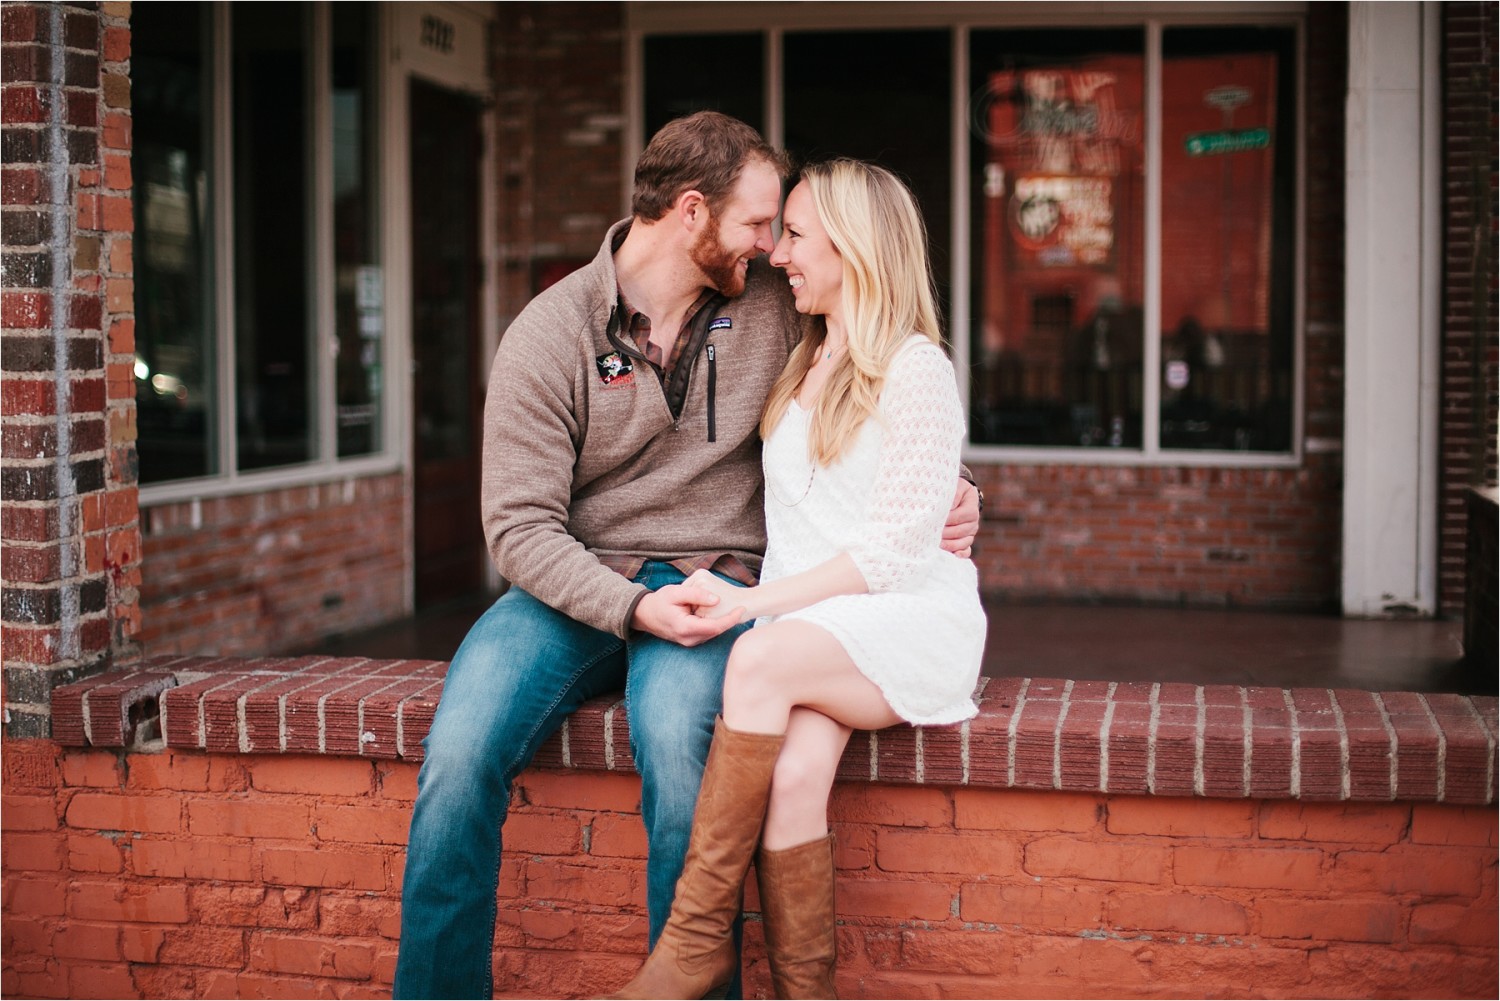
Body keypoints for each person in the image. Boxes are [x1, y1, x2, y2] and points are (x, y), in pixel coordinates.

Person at [392, 114, 981, 999]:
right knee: (459, 751)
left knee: (679, 745)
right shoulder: (549, 335)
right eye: (758, 224)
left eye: (786, 230)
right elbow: (517, 528)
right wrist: (627, 606)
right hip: (578, 584)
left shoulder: (775, 306)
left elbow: (878, 386)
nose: (774, 246)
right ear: (693, 212)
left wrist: (960, 487)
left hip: (723, 582)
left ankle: (692, 977)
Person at [612, 159, 986, 1000]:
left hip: (900, 619)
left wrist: (750, 605)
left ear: (854, 247)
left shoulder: (916, 367)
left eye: (798, 236)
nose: (780, 254)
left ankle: (694, 941)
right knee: (791, 783)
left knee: (754, 661)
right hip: (820, 628)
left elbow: (892, 552)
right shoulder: (805, 356)